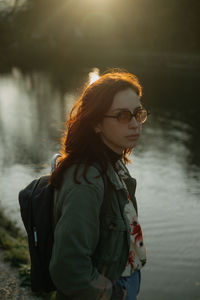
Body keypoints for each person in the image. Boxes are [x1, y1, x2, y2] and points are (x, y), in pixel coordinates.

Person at [49, 70, 149, 300]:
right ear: (96, 123)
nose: (135, 124)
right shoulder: (86, 181)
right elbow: (68, 268)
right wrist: (115, 295)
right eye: (122, 116)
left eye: (138, 113)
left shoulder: (113, 162)